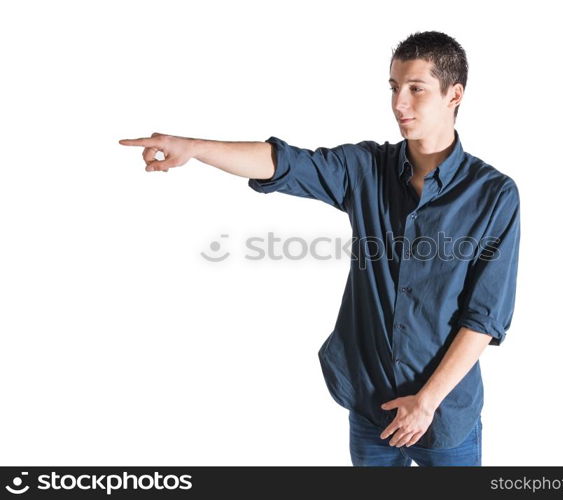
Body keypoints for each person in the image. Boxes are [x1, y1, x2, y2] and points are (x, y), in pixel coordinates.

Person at [119, 30, 520, 467]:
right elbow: (284, 163)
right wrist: (194, 148)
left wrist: (425, 402)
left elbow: (484, 317)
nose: (399, 104)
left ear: (454, 94)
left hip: (443, 414)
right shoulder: (366, 167)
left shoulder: (494, 195)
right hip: (371, 402)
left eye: (416, 89)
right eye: (394, 88)